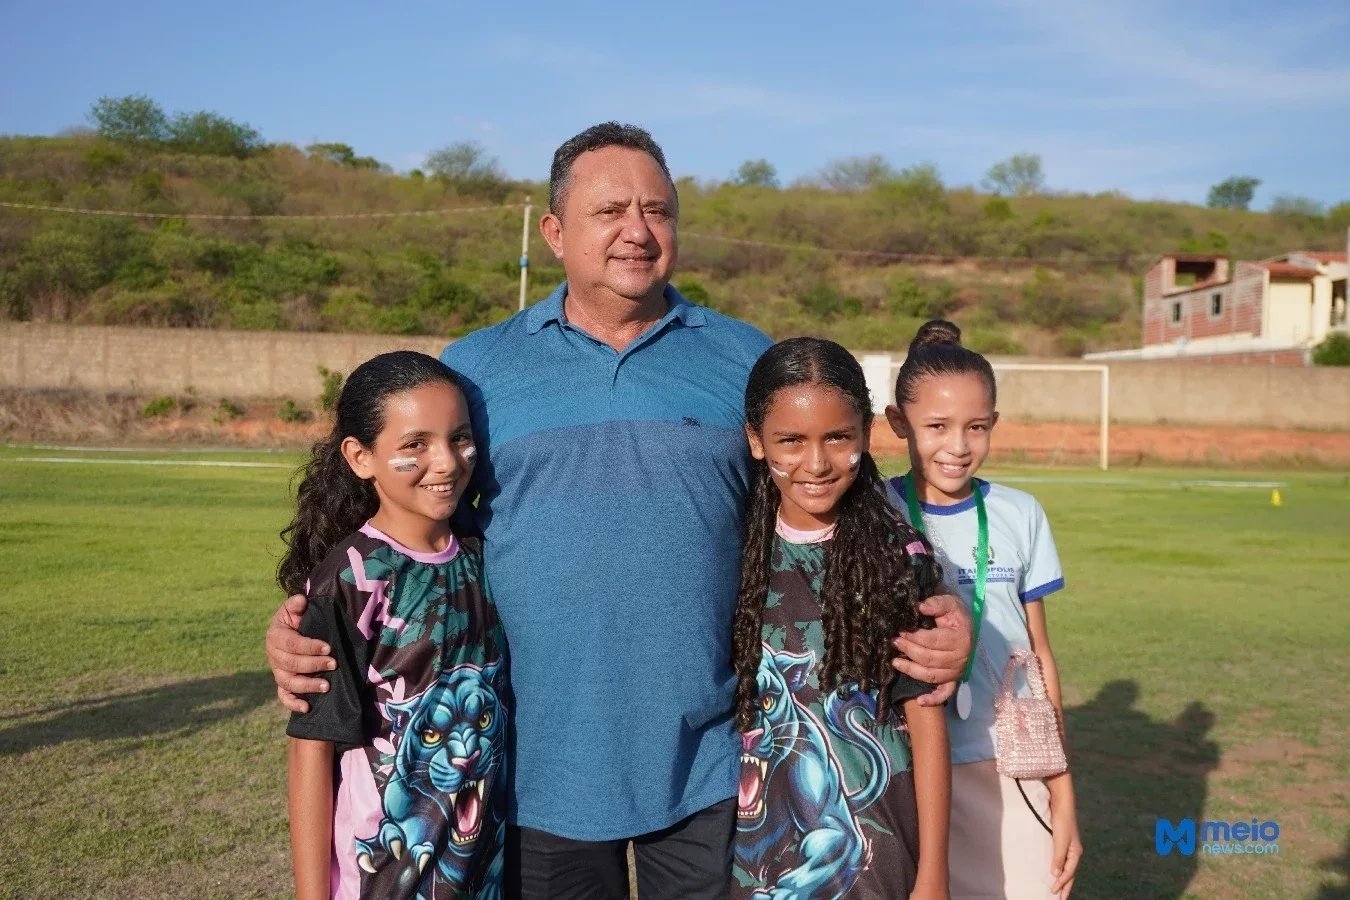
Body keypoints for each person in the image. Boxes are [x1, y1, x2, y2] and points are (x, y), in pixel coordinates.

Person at [267, 122, 974, 900]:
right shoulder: (476, 366)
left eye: (658, 211)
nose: (638, 231)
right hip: (538, 767)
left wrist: (945, 611)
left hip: (709, 764)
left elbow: (841, 498)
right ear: (555, 231)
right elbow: (403, 525)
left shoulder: (740, 356)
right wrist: (303, 623)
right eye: (610, 211)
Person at [280, 351, 508, 900]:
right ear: (361, 457)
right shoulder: (352, 578)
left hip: (483, 874)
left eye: (459, 438)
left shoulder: (488, 556)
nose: (448, 463)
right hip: (382, 878)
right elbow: (310, 751)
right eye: (415, 445)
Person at [731, 338, 950, 899]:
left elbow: (926, 728)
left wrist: (933, 875)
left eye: (837, 437)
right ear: (756, 441)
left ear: (866, 433)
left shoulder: (900, 560)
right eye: (791, 440)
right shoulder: (730, 553)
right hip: (754, 861)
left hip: (879, 856)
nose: (817, 462)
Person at [883, 320, 1083, 900]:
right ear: (900, 424)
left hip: (1011, 762)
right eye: (937, 427)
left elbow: (1039, 653)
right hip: (907, 762)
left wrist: (1063, 790)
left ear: (994, 424)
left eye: (976, 427)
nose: (958, 446)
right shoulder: (874, 511)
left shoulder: (1022, 514)